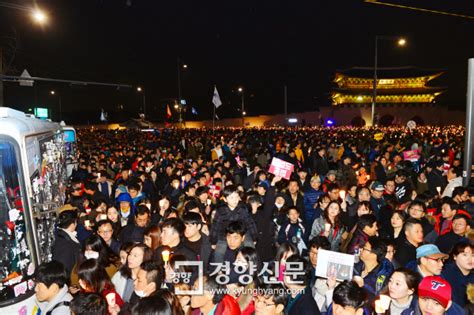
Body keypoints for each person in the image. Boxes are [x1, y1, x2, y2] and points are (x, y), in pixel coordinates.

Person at [210, 185, 258, 261]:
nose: (235, 200)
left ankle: (252, 268)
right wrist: (213, 241)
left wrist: (254, 237)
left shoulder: (243, 209)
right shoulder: (220, 211)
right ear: (225, 199)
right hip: (225, 234)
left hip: (242, 232)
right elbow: (215, 226)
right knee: (219, 252)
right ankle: (219, 271)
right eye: (231, 198)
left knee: (250, 247)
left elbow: (250, 223)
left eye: (236, 197)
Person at [353, 236, 394, 302]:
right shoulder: (356, 266)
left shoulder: (383, 276)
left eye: (364, 248)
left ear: (374, 254)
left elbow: (378, 297)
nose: (360, 250)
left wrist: (364, 285)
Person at [441, 242, 474, 308]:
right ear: (455, 257)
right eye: (465, 255)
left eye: (473, 255)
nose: (470, 259)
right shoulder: (445, 273)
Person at [52, 209, 81, 277]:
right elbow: (64, 269)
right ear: (72, 224)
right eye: (76, 222)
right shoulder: (65, 244)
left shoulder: (62, 236)